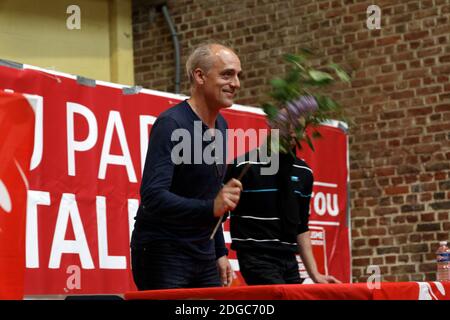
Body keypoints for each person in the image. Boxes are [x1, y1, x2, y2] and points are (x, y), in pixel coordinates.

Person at [130, 43, 243, 290]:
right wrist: (211, 207)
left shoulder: (222, 126)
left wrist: (219, 252)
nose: (236, 83)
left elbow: (209, 194)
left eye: (237, 75)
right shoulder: (171, 123)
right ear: (200, 76)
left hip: (203, 251)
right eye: (227, 74)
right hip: (164, 251)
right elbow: (153, 196)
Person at [225, 135, 341, 285]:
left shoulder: (304, 172)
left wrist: (315, 274)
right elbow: (219, 214)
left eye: (297, 126)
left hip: (289, 260)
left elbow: (301, 226)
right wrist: (220, 255)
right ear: (272, 123)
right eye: (286, 123)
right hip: (257, 257)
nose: (292, 132)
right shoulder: (244, 165)